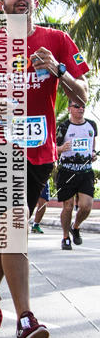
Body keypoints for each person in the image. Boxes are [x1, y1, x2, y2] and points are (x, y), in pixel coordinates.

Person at [0, 0, 89, 338]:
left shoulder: (57, 41)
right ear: (1, 5)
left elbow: (83, 93)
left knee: (11, 227)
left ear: (35, 0)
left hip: (40, 150)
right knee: (14, 223)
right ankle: (26, 318)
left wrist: (58, 69)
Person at [56, 99, 97, 250]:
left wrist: (92, 153)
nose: (80, 109)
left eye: (83, 106)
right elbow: (53, 148)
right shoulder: (64, 126)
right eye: (77, 106)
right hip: (67, 171)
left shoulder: (91, 125)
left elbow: (92, 143)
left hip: (85, 171)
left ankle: (76, 226)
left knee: (86, 206)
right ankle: (65, 237)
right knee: (67, 207)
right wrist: (61, 149)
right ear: (69, 109)